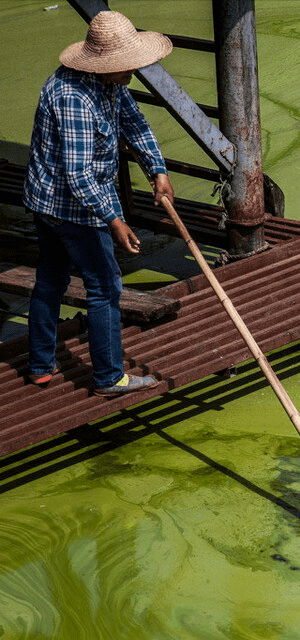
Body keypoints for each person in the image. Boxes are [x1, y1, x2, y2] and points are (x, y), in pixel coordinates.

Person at [24, 10, 174, 396]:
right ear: (101, 65)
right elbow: (77, 176)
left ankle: (41, 365)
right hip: (69, 206)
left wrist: (158, 170)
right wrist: (114, 220)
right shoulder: (72, 97)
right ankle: (109, 377)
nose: (130, 73)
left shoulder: (109, 83)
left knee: (51, 277)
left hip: (57, 198)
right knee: (105, 286)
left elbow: (135, 123)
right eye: (124, 67)